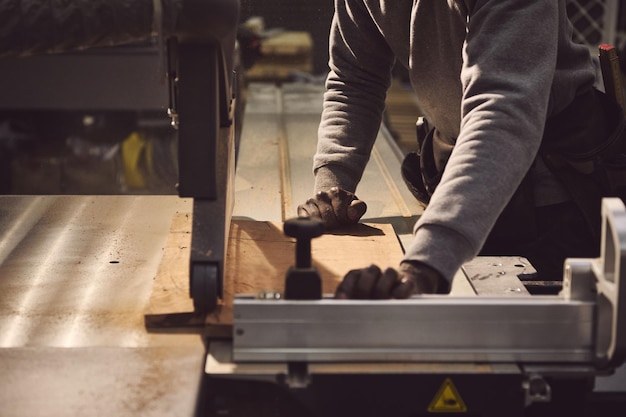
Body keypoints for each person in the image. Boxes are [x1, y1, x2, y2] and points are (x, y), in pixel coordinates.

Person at [297, 0, 626, 299]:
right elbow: (355, 80)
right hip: (472, 171)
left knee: (531, 347)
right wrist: (333, 188)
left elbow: (501, 115)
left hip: (556, 192)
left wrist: (427, 262)